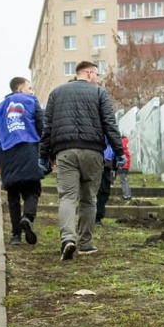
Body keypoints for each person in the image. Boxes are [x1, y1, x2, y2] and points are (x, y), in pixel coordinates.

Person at [40, 60, 124, 261]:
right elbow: (109, 124)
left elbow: (47, 127)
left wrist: (44, 155)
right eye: (96, 74)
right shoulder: (99, 93)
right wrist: (119, 151)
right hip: (92, 152)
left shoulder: (56, 93)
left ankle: (67, 239)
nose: (98, 78)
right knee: (89, 198)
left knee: (67, 197)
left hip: (65, 152)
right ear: (88, 73)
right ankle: (85, 243)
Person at [0, 76, 45, 246]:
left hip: (7, 155)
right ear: (20, 89)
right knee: (32, 189)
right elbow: (42, 126)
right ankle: (28, 217)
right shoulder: (32, 102)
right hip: (29, 152)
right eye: (29, 88)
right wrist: (46, 151)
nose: (31, 91)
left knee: (13, 195)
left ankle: (16, 235)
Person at [118, 136, 132, 201]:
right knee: (125, 180)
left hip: (123, 165)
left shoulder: (122, 145)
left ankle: (126, 195)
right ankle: (128, 195)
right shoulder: (126, 145)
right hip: (126, 165)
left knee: (123, 180)